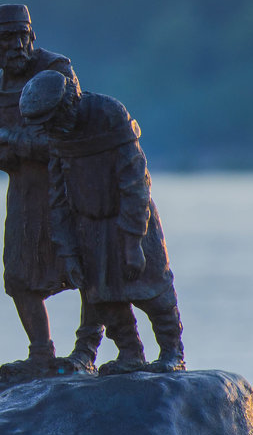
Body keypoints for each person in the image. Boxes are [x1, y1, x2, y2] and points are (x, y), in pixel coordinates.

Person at [0, 4, 121, 378]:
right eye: (5, 39)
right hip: (25, 192)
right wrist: (0, 151)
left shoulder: (57, 71)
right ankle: (41, 352)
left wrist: (16, 142)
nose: (15, 46)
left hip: (69, 185)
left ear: (31, 36)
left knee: (87, 268)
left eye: (21, 36)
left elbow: (68, 135)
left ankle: (85, 351)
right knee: (18, 274)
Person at [20, 70, 185, 374]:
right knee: (102, 293)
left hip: (130, 217)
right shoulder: (58, 135)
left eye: (51, 122)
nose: (49, 131)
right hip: (89, 226)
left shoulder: (109, 114)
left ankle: (172, 351)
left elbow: (135, 182)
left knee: (153, 288)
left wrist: (134, 239)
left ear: (66, 107)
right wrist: (69, 251)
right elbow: (58, 198)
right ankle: (130, 352)